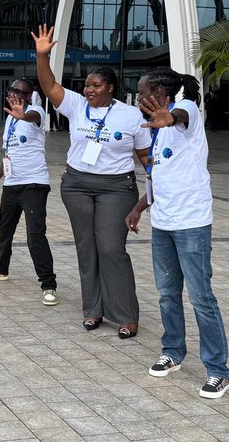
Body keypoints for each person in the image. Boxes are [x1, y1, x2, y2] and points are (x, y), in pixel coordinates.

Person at [32, 24, 150, 337]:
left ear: (110, 88)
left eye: (95, 85)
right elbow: (49, 86)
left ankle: (125, 313)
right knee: (87, 248)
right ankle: (93, 310)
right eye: (86, 85)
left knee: (111, 248)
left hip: (117, 188)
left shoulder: (131, 116)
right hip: (77, 185)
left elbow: (146, 158)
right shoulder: (76, 106)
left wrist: (156, 189)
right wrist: (42, 56)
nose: (89, 90)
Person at [127, 67, 229, 399]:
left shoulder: (187, 113)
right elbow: (159, 176)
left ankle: (218, 371)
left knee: (201, 298)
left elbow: (182, 117)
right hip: (164, 223)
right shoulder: (155, 130)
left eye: (143, 92)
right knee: (167, 294)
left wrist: (170, 118)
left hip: (191, 224)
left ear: (160, 93)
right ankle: (172, 351)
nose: (139, 98)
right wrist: (140, 207)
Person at [0, 78, 58, 306]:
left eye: (21, 92)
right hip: (11, 184)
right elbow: (8, 155)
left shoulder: (36, 112)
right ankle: (0, 269)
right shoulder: (9, 120)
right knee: (4, 229)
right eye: (13, 91)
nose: (16, 95)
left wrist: (23, 115)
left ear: (29, 95)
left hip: (34, 184)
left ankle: (48, 284)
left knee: (35, 235)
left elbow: (33, 118)